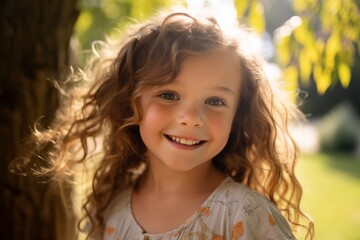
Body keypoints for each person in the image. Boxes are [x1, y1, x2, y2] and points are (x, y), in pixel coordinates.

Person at [16, 8, 314, 240]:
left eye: (215, 101)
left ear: (239, 113)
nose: (191, 118)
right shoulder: (109, 208)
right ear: (131, 100)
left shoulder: (245, 214)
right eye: (168, 94)